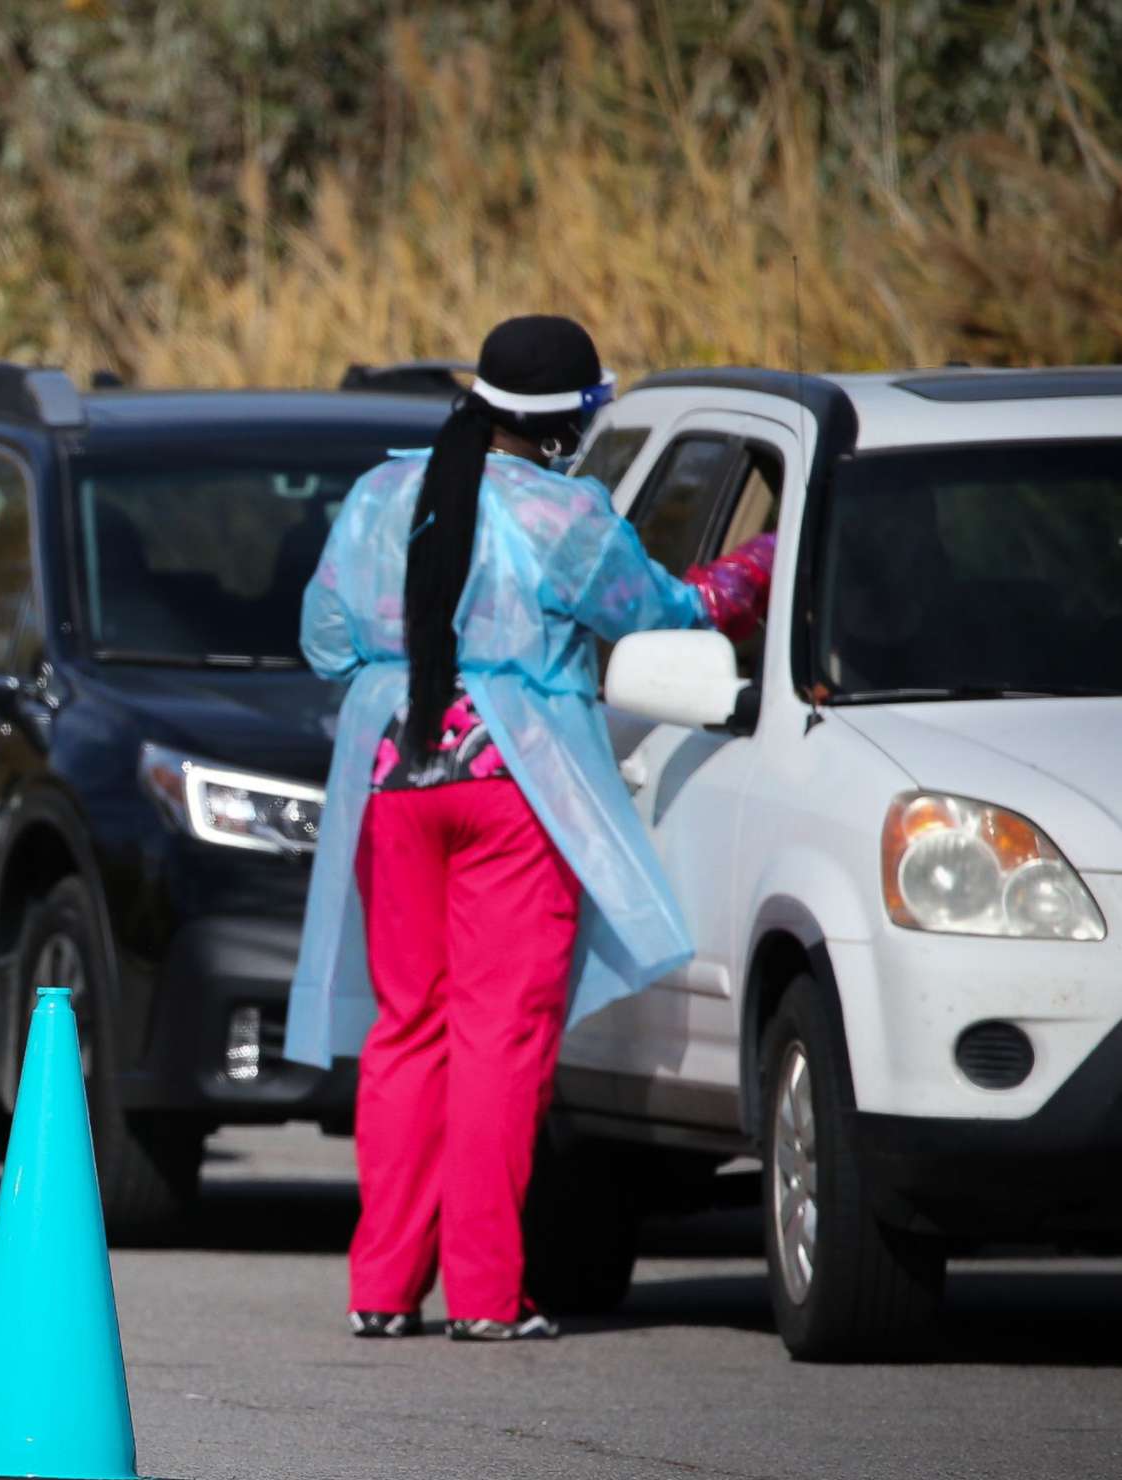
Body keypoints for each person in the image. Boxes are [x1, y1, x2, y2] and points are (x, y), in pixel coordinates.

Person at [284, 315, 774, 1342]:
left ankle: (380, 1288)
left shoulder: (381, 494)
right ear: (566, 425)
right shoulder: (567, 513)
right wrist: (754, 569)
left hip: (395, 778)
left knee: (407, 1026)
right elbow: (664, 612)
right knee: (499, 1036)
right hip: (519, 788)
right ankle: (486, 1295)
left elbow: (323, 637)